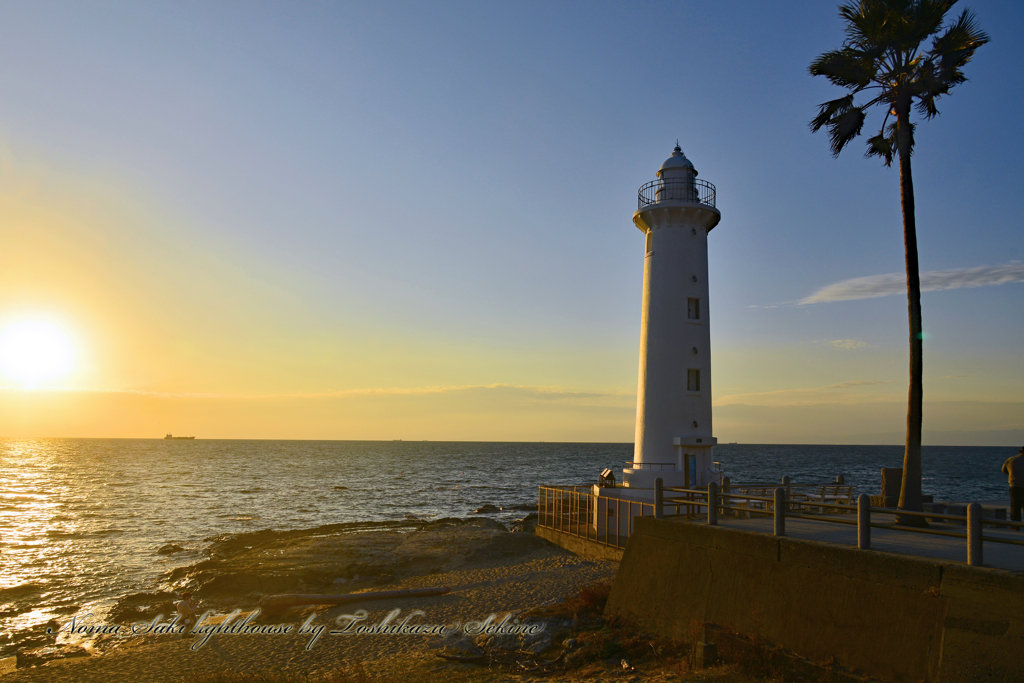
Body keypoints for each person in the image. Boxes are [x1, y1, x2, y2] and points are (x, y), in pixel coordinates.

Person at [1002, 447, 1024, 525]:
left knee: (1015, 507)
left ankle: (1015, 525)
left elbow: (1004, 470)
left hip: (1014, 486)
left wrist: (1012, 475)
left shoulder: (1010, 459)